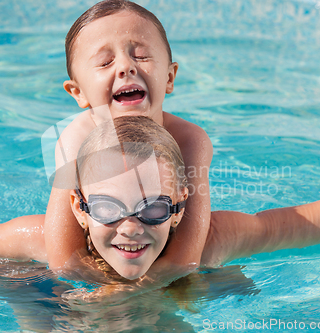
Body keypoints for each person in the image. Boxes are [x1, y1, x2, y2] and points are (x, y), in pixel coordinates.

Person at [0, 116, 320, 293]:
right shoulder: (41, 242)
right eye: (108, 208)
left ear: (179, 206)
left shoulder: (215, 238)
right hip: (63, 300)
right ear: (79, 208)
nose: (130, 228)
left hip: (179, 294)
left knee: (225, 285)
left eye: (152, 208)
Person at [44, 0, 213, 285]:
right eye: (105, 62)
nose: (125, 67)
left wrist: (133, 294)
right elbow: (63, 258)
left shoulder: (189, 141)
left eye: (142, 56)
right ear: (78, 92)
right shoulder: (75, 139)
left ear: (170, 77)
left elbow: (187, 255)